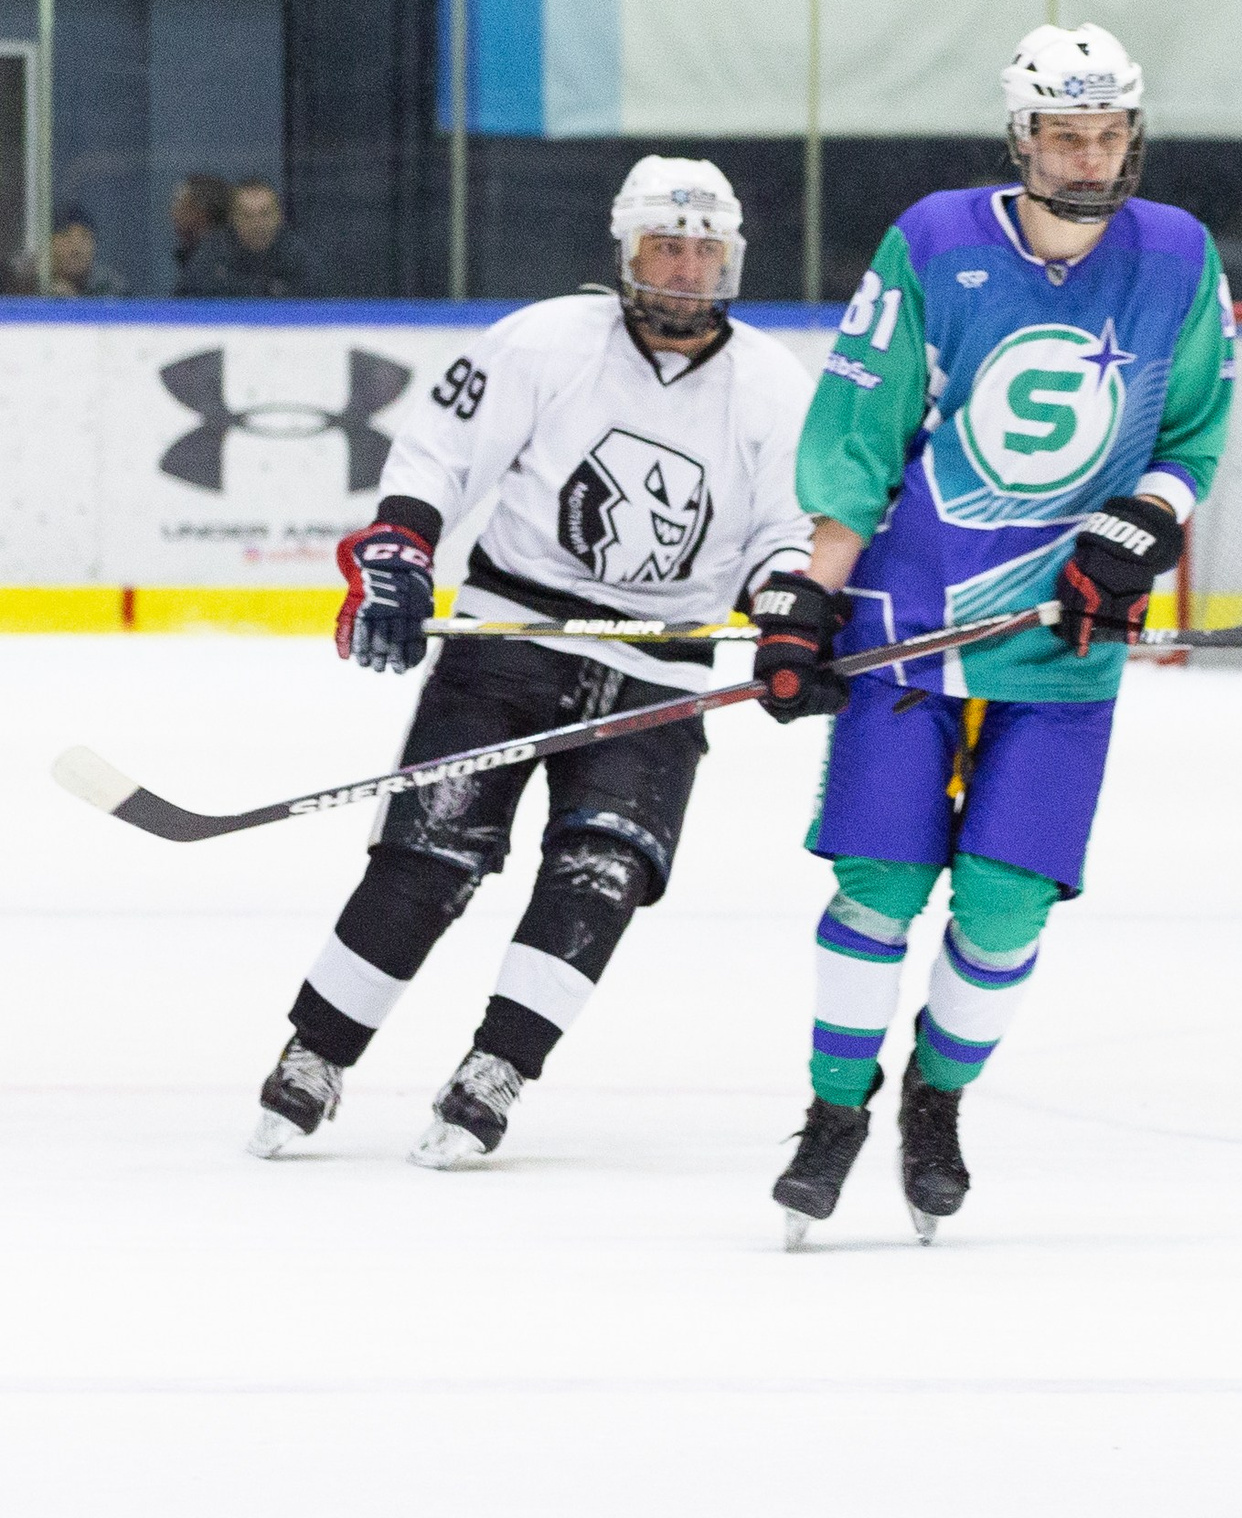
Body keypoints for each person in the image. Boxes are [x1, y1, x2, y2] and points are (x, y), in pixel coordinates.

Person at [248, 157, 817, 1169]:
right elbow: (438, 456)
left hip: (660, 662)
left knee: (603, 871)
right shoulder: (544, 341)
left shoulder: (776, 386)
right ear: (626, 252)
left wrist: (786, 618)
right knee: (428, 854)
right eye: (666, 247)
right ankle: (317, 1051)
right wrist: (400, 555)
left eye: (705, 251)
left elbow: (787, 533)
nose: (687, 270)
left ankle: (496, 1068)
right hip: (508, 635)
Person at [764, 20, 1233, 1247]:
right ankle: (833, 1110)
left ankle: (936, 1099)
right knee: (878, 882)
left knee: (1007, 903)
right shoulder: (935, 239)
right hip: (908, 625)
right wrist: (809, 598)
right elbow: (860, 434)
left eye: (1109, 133)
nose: (1090, 157)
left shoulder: (1177, 256)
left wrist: (1139, 527)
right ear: (1021, 136)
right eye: (1066, 134)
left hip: (1061, 640)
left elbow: (1191, 437)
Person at [177, 178, 323, 297]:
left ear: (279, 216)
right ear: (233, 219)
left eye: (265, 214)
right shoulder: (211, 253)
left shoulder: (297, 254)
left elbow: (315, 302)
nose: (257, 224)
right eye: (247, 215)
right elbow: (186, 301)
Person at [7, 207, 128, 297]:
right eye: (66, 237)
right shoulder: (25, 278)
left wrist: (74, 303)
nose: (76, 249)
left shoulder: (108, 285)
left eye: (85, 237)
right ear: (48, 243)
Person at [171, 174, 230, 279]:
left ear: (201, 212)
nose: (173, 213)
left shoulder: (222, 268)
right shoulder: (191, 258)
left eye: (180, 203)